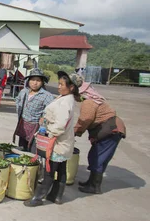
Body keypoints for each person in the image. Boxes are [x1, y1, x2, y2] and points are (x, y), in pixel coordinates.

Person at [24, 72, 81, 207]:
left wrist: (48, 130)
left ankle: (38, 198)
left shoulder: (65, 102)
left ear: (71, 87)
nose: (59, 86)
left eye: (62, 84)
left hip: (57, 142)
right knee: (61, 169)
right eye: (59, 83)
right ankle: (56, 196)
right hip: (64, 142)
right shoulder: (66, 98)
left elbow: (60, 125)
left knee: (49, 171)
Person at [75, 82, 126, 194]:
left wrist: (75, 132)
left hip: (111, 131)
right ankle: (91, 182)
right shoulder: (93, 100)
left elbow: (85, 120)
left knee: (98, 158)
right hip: (110, 129)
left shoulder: (88, 103)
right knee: (95, 156)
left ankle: (94, 186)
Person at [14, 68, 55, 151]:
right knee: (21, 149)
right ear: (28, 81)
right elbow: (18, 100)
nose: (35, 83)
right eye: (32, 80)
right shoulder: (24, 92)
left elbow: (51, 110)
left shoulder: (47, 96)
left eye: (38, 80)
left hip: (37, 129)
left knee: (33, 152)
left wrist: (43, 118)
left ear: (42, 82)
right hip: (23, 125)